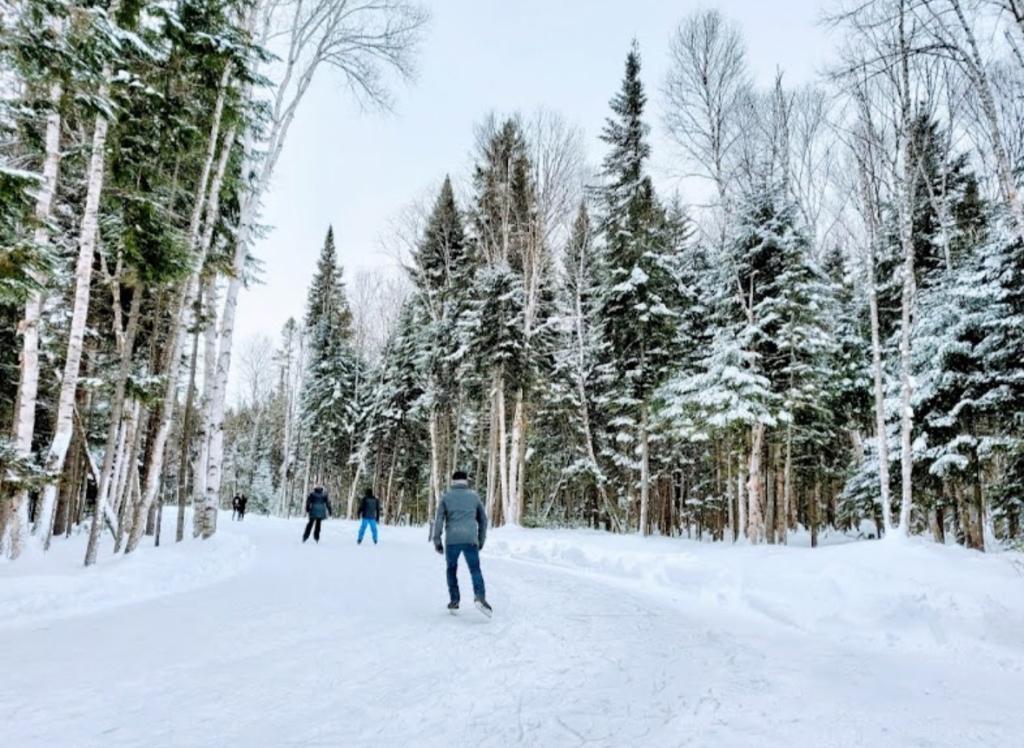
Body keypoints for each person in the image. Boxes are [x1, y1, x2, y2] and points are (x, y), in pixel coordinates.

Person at [432, 471, 491, 617]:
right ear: (466, 481)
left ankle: (454, 601)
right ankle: (480, 597)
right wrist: (481, 539)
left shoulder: (446, 497)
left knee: (451, 569)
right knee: (475, 569)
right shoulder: (474, 496)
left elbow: (439, 520)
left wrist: (437, 540)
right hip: (470, 539)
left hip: (452, 540)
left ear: (453, 482)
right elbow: (483, 520)